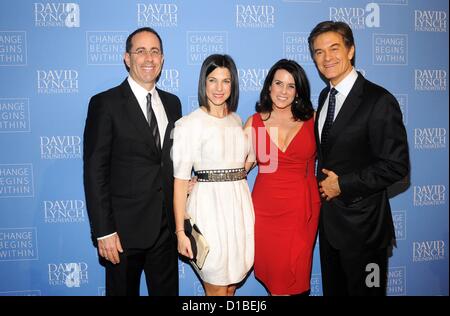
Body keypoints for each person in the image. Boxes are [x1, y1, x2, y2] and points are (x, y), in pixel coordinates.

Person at [308, 21, 410, 296]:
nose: (327, 58)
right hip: (330, 228)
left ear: (351, 50)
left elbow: (397, 165)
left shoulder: (379, 100)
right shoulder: (324, 97)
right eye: (318, 52)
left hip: (365, 232)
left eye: (334, 48)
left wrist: (344, 185)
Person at [83, 27, 181, 296]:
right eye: (140, 51)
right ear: (127, 58)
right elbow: (95, 171)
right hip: (123, 235)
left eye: (155, 51)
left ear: (162, 59)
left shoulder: (173, 104)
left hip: (166, 230)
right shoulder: (105, 104)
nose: (148, 58)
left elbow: (169, 163)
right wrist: (104, 232)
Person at [172, 54, 254, 296]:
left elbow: (237, 166)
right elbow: (179, 181)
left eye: (226, 81)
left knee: (230, 288)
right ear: (203, 83)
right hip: (209, 213)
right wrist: (180, 232)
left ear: (233, 84)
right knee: (217, 287)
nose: (219, 88)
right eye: (212, 80)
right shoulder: (190, 124)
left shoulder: (236, 120)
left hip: (238, 211)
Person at [244, 59, 320, 295]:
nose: (283, 91)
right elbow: (239, 168)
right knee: (277, 283)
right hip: (266, 212)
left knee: (295, 277)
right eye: (278, 83)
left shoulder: (313, 120)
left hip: (302, 209)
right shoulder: (255, 123)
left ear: (298, 91)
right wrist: (201, 180)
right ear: (269, 86)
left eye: (290, 85)